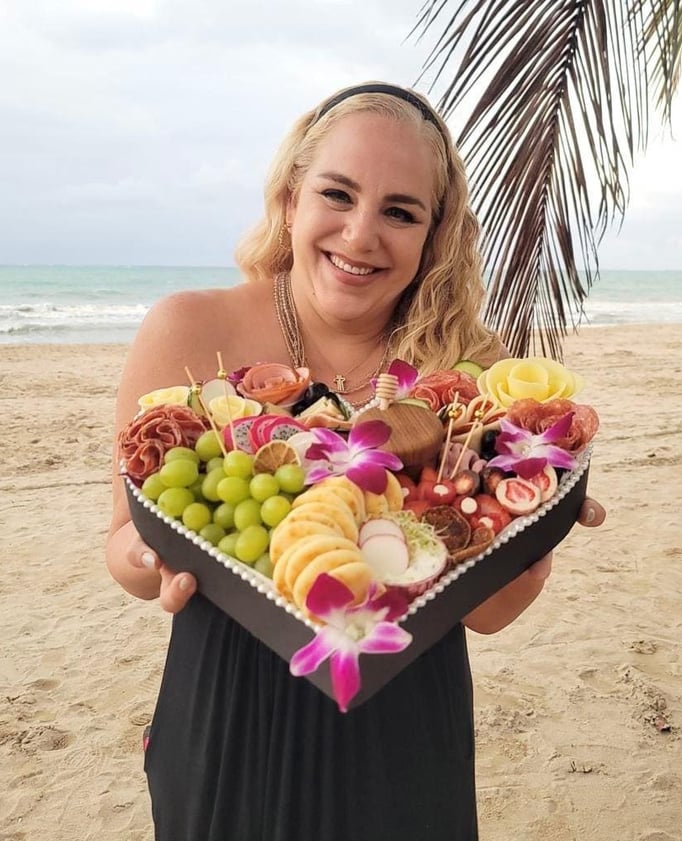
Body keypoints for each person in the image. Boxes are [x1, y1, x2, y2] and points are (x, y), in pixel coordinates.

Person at [106, 81, 606, 841]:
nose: (361, 234)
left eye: (400, 211)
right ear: (290, 197)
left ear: (435, 234)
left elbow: (489, 613)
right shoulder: (186, 328)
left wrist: (528, 538)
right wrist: (153, 557)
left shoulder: (470, 368)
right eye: (337, 194)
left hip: (402, 711)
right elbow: (122, 545)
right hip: (224, 701)